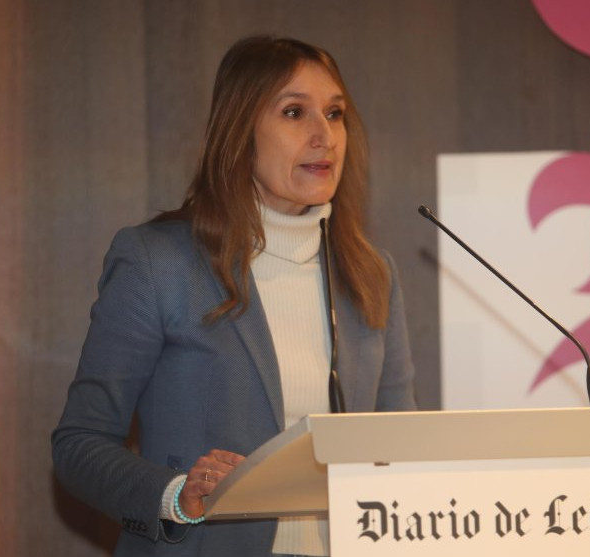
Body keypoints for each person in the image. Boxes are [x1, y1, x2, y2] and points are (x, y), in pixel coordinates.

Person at [51, 35, 417, 557]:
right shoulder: (159, 263)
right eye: (294, 112)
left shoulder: (371, 274)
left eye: (334, 114)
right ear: (240, 132)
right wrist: (178, 497)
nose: (324, 136)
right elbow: (78, 444)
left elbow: (399, 443)